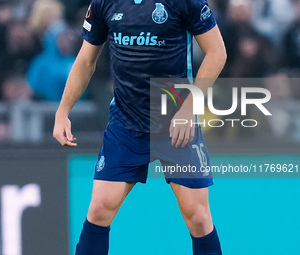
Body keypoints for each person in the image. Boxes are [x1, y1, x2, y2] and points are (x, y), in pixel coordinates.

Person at [53, 0, 226, 254]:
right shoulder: (103, 3)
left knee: (198, 217)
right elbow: (86, 61)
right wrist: (63, 111)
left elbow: (217, 52)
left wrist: (189, 109)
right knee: (100, 208)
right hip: (126, 123)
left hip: (175, 121)